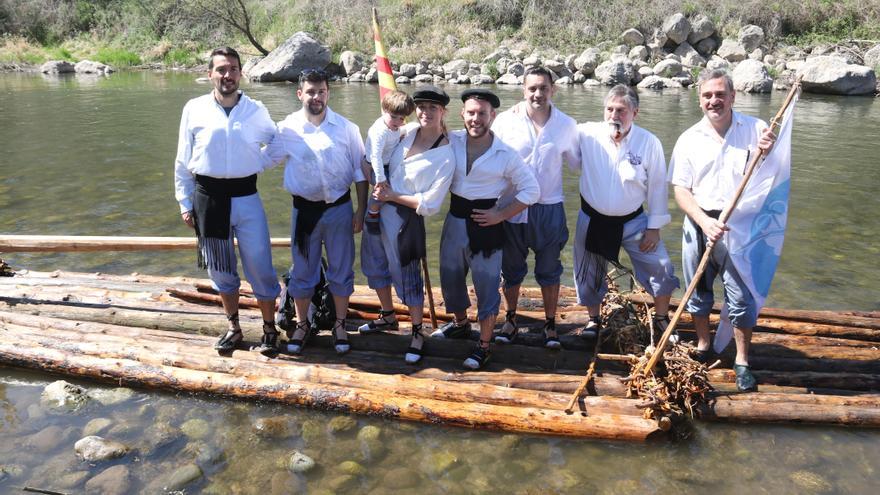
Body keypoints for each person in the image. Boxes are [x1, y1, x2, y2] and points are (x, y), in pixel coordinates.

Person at [669, 68, 776, 392]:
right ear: (699, 99)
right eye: (707, 95)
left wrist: (769, 151)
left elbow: (772, 173)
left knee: (741, 295)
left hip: (740, 224)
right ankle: (704, 344)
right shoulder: (689, 138)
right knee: (698, 291)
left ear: (732, 96)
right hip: (700, 220)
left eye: (720, 94)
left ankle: (742, 359)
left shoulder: (756, 130)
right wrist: (704, 221)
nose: (714, 100)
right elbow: (681, 191)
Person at [173, 46, 280, 356]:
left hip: (247, 196)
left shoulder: (255, 110)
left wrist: (259, 162)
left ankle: (269, 328)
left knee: (260, 264)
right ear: (210, 74)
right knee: (221, 269)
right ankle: (233, 327)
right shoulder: (194, 108)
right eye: (221, 69)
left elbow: (276, 142)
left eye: (233, 68)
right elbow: (182, 159)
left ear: (240, 73)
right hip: (207, 198)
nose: (227, 75)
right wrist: (184, 200)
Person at [262, 69, 368, 356]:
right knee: (303, 271)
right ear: (300, 94)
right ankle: (302, 324)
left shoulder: (347, 128)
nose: (316, 97)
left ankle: (340, 324)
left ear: (328, 93)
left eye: (321, 91)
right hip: (304, 212)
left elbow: (361, 171)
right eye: (310, 91)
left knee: (341, 270)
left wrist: (361, 210)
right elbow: (264, 160)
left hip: (340, 209)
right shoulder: (287, 129)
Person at [433, 88, 540, 370]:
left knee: (487, 286)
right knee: (450, 278)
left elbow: (532, 190)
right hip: (455, 220)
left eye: (482, 113)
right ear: (462, 115)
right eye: (471, 113)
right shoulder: (450, 140)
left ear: (493, 116)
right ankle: (459, 323)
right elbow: (420, 132)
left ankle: (484, 345)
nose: (476, 118)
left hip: (487, 226)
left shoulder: (505, 153)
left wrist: (501, 214)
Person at [573, 85, 680, 343]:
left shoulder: (648, 142)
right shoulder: (586, 134)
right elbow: (553, 128)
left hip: (634, 220)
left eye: (621, 110)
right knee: (588, 273)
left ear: (635, 112)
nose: (614, 115)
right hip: (593, 218)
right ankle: (593, 318)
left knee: (661, 267)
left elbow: (656, 186)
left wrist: (654, 227)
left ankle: (662, 317)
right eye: (609, 109)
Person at [359, 86, 455, 364]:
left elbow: (431, 203)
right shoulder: (406, 130)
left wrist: (393, 196)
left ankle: (416, 330)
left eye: (433, 108)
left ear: (443, 112)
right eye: (422, 106)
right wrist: (369, 170)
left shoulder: (446, 154)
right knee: (374, 263)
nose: (426, 112)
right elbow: (378, 147)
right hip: (377, 206)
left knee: (407, 274)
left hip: (404, 217)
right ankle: (388, 315)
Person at [491, 66, 580, 349]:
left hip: (548, 208)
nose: (537, 94)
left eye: (543, 88)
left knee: (550, 269)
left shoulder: (566, 125)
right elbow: (488, 157)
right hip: (512, 206)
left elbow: (579, 164)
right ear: (523, 90)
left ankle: (550, 324)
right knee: (511, 268)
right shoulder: (505, 121)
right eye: (532, 88)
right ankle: (511, 318)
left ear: (553, 90)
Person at [362, 90, 416, 225]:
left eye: (402, 118)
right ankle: (372, 214)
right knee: (382, 191)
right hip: (376, 166)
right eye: (394, 116)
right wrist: (380, 178)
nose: (398, 122)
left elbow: (400, 131)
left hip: (387, 162)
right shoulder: (380, 131)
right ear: (384, 110)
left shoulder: (393, 126)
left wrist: (416, 126)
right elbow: (376, 156)